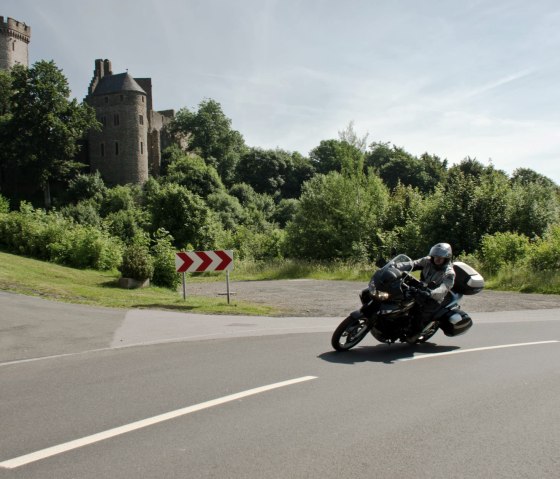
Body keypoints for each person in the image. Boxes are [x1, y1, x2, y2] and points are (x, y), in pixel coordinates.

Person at [404, 243, 455, 342]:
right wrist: (395, 266)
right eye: (435, 256)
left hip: (433, 297)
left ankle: (415, 333)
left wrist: (431, 293)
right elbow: (412, 264)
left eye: (440, 258)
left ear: (446, 259)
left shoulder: (449, 273)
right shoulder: (427, 261)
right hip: (421, 288)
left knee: (417, 312)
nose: (437, 259)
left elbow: (444, 288)